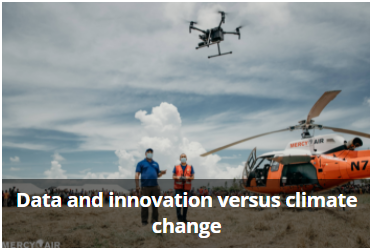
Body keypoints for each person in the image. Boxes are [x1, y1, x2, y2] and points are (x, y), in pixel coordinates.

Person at [135, 148, 166, 226]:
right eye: (148, 152)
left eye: (151, 153)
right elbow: (137, 174)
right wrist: (137, 185)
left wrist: (161, 173)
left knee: (155, 205)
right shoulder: (141, 163)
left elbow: (157, 175)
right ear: (145, 154)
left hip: (155, 187)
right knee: (145, 205)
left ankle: (155, 220)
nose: (150, 154)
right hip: (145, 187)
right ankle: (144, 221)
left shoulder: (156, 164)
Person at [173, 153, 195, 222]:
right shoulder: (176, 167)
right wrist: (179, 177)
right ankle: (179, 218)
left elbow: (192, 177)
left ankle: (184, 218)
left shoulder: (190, 167)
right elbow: (173, 176)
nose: (183, 158)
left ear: (186, 158)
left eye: (184, 157)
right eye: (182, 157)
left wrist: (187, 178)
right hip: (178, 188)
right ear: (180, 159)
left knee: (185, 204)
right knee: (178, 204)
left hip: (186, 188)